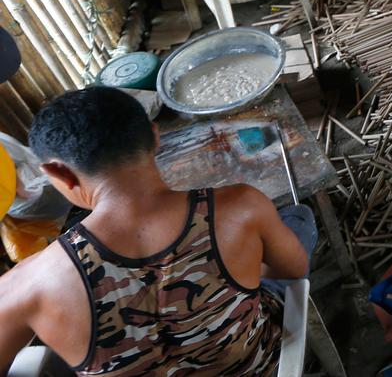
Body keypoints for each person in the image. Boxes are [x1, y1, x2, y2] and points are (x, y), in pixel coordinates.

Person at [0, 87, 311, 375]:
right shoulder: (241, 207)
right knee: (299, 218)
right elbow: (293, 270)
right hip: (258, 366)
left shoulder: (29, 284)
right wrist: (234, 263)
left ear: (57, 172)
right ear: (155, 136)